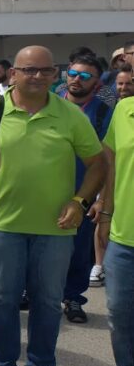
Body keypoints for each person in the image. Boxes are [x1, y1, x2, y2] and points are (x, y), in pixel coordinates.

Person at [0, 47, 105, 366]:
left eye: (45, 70)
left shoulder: (70, 115)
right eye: (29, 70)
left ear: (55, 74)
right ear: (13, 73)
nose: (38, 76)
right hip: (1, 223)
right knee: (2, 300)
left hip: (56, 226)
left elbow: (97, 164)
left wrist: (79, 202)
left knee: (47, 301)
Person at [87, 79, 134, 366]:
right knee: (119, 313)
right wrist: (104, 211)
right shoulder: (124, 109)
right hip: (124, 235)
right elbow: (112, 163)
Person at [58, 53, 112, 324]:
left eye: (85, 76)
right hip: (45, 188)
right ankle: (30, 291)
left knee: (78, 251)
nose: (77, 80)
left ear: (97, 83)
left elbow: (109, 159)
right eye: (73, 73)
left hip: (84, 191)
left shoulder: (104, 112)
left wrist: (100, 198)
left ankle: (73, 298)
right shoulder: (50, 102)